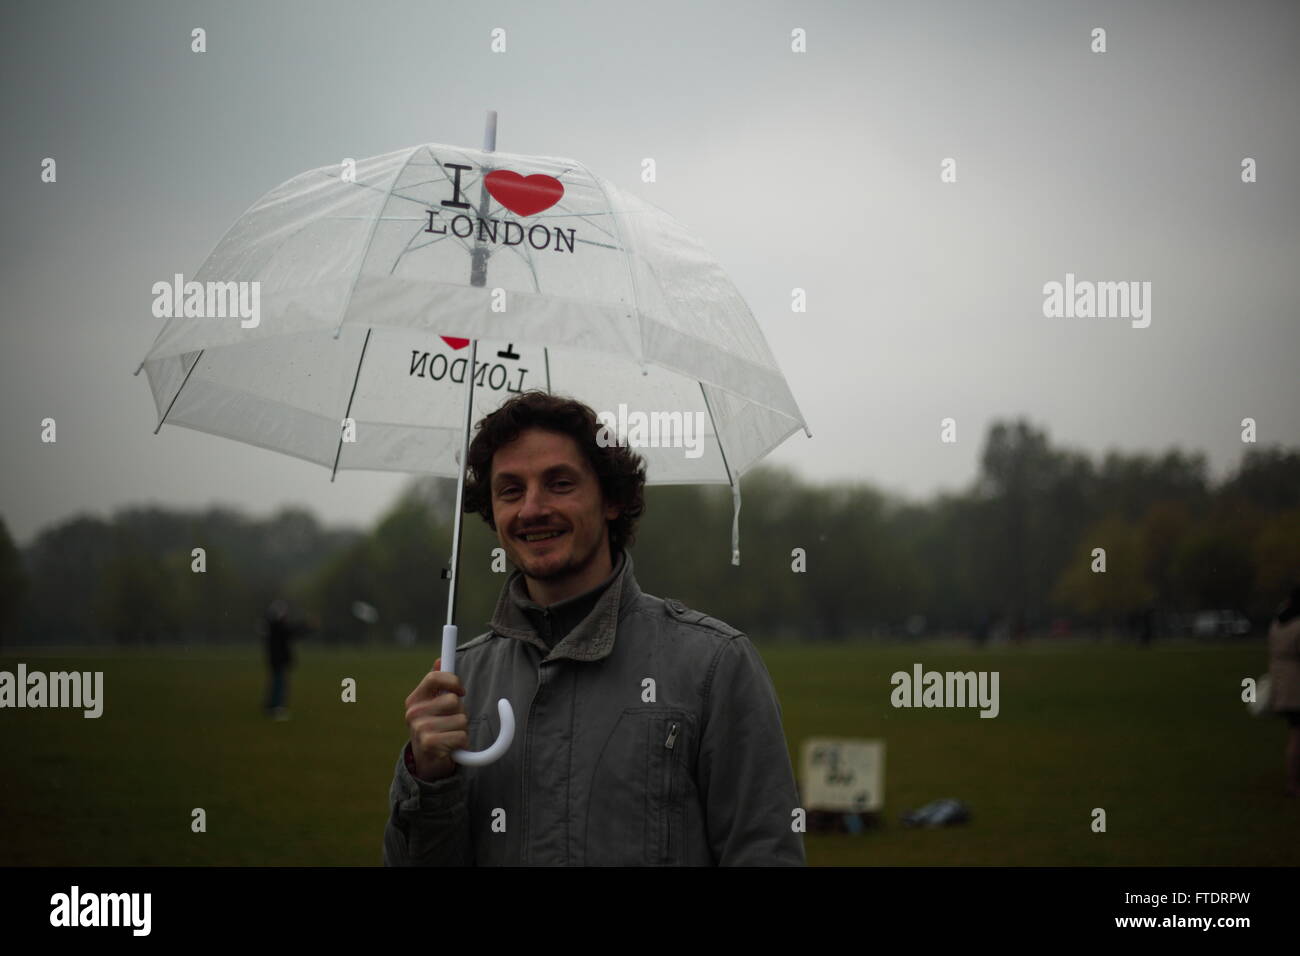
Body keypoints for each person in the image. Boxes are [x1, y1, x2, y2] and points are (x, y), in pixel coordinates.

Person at [382, 390, 805, 865]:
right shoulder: (459, 684)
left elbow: (765, 852)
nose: (532, 509)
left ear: (612, 500)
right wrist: (429, 781)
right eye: (510, 490)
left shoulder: (715, 665)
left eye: (559, 483)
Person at [1267, 584, 1300, 796]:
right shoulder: (1298, 626)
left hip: (1281, 683)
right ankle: (1293, 782)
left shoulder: (1277, 624)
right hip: (1296, 685)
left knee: (1294, 733)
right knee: (1297, 737)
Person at [262, 599, 312, 720]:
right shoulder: (277, 627)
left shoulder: (273, 627)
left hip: (275, 660)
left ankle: (271, 706)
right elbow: (291, 631)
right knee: (279, 684)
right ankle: (277, 708)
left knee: (276, 683)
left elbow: (290, 631)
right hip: (278, 660)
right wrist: (307, 625)